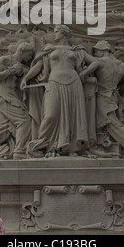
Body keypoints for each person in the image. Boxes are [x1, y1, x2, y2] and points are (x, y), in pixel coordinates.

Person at [21, 25, 97, 157]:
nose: (54, 34)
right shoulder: (49, 49)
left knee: (73, 115)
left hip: (74, 83)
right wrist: (25, 79)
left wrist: (84, 73)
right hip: (54, 82)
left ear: (64, 33)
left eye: (56, 32)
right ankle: (42, 145)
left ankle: (70, 147)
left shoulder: (77, 50)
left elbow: (96, 62)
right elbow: (38, 67)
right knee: (50, 114)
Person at [80, 40, 124, 159]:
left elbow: (82, 75)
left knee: (112, 123)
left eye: (96, 51)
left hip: (103, 95)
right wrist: (115, 88)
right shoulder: (122, 65)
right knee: (106, 123)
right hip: (114, 95)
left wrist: (92, 81)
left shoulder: (99, 62)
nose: (96, 54)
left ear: (103, 50)